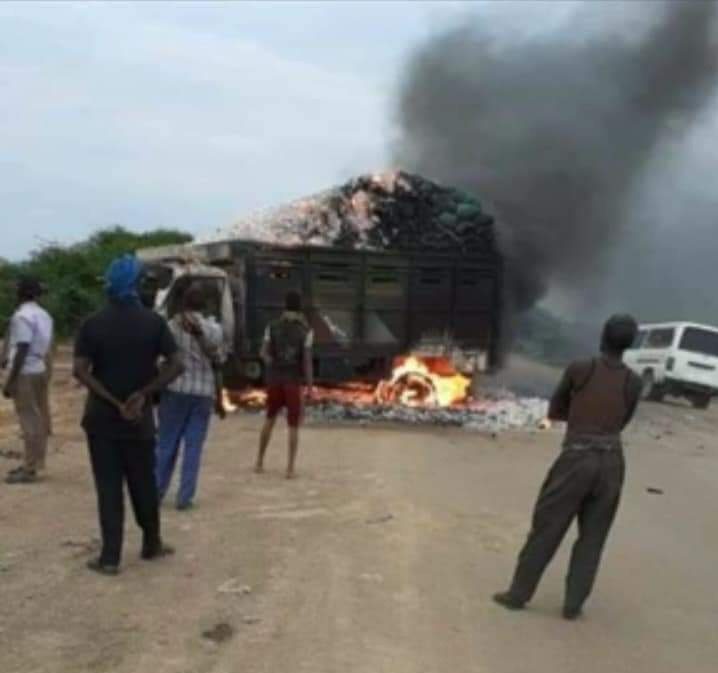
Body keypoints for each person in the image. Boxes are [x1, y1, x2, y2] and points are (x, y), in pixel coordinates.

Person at [493, 314, 643, 620]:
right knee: (593, 537)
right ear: (630, 344)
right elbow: (623, 421)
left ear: (603, 336)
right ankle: (573, 605)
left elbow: (556, 408)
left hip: (576, 458)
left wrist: (579, 418)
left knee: (547, 528)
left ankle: (518, 595)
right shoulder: (634, 381)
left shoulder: (581, 369)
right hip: (612, 462)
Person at [73, 255, 184, 576]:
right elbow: (177, 364)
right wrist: (143, 394)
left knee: (108, 487)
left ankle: (110, 557)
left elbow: (81, 370)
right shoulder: (154, 323)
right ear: (137, 286)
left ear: (110, 287)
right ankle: (151, 543)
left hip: (101, 420)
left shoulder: (93, 324)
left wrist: (110, 398)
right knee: (143, 483)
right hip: (140, 421)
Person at [156, 283, 224, 511]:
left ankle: (157, 490)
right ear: (204, 304)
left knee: (166, 443)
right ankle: (184, 497)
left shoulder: (170, 327)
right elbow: (219, 360)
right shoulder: (214, 329)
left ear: (182, 302)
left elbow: (160, 360)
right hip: (203, 393)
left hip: (175, 389)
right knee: (193, 446)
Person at [254, 290, 314, 479]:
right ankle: (289, 469)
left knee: (269, 419)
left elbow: (262, 353)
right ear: (300, 307)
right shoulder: (306, 331)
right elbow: (306, 361)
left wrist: (271, 361)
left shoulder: (271, 326)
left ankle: (259, 462)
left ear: (284, 305)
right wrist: (310, 386)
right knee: (293, 426)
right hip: (293, 382)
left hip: (274, 380)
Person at [2, 277, 54, 484]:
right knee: (38, 417)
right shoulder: (44, 315)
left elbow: (22, 346)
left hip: (25, 371)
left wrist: (11, 380)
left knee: (28, 420)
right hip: (40, 368)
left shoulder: (21, 316)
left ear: (21, 293)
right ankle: (34, 462)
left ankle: (30, 468)